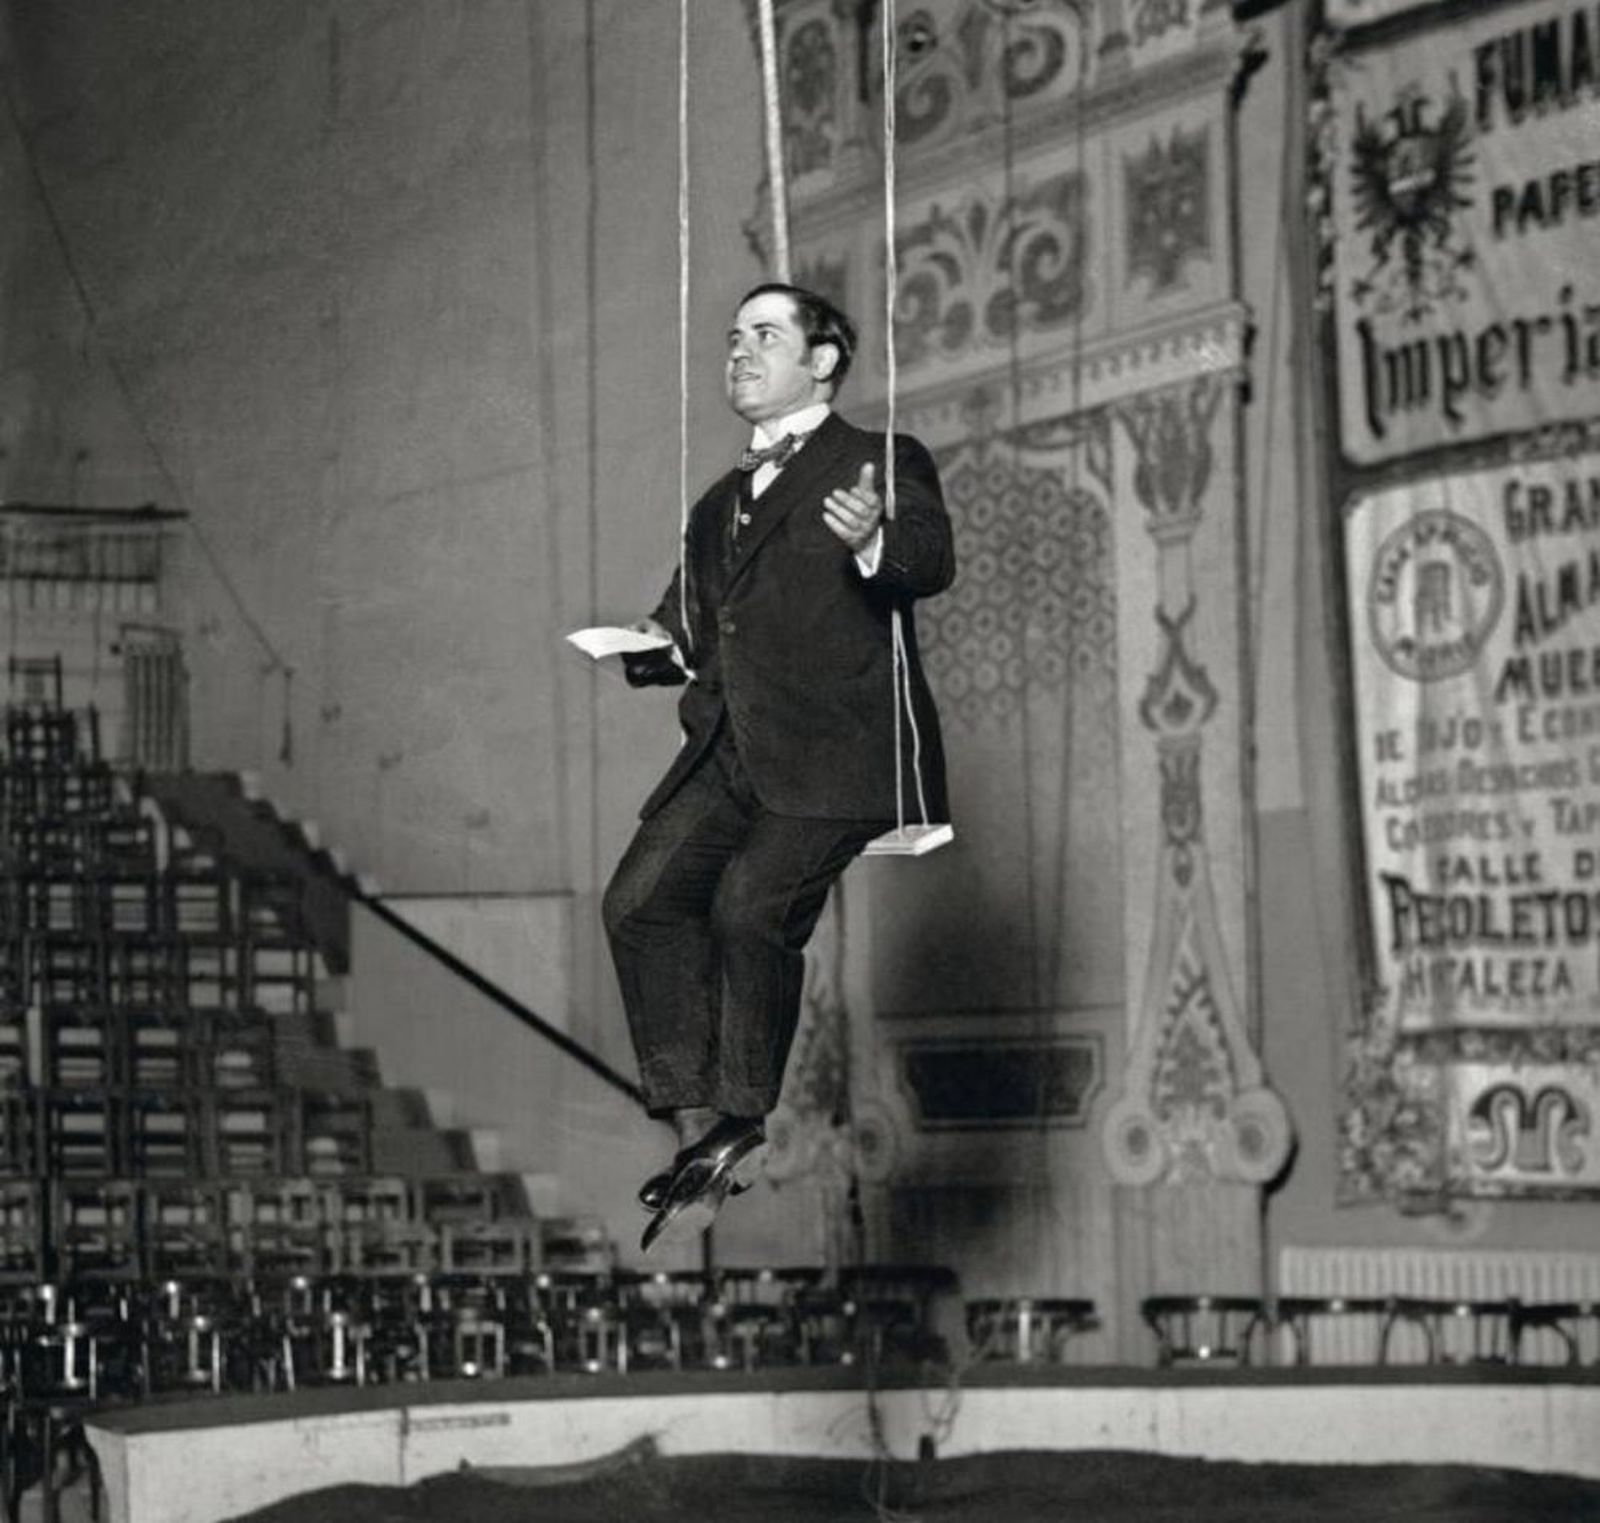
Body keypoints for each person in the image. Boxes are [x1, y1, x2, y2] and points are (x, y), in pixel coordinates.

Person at [602, 282, 955, 1251]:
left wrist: (873, 537)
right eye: (732, 338)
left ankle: (742, 1116)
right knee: (638, 902)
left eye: (765, 336)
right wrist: (639, 642)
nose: (739, 352)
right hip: (730, 749)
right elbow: (686, 627)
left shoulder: (879, 459)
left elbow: (926, 555)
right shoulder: (718, 503)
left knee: (748, 908)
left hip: (837, 752)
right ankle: (697, 1122)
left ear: (824, 360)